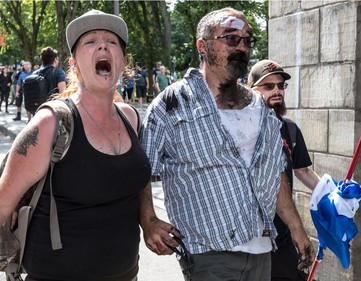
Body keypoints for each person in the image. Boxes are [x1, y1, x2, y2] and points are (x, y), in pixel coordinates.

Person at [0, 9, 179, 281]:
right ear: (74, 64)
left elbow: (136, 175)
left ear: (122, 61)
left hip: (127, 275)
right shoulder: (50, 123)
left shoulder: (130, 117)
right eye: (90, 41)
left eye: (111, 41)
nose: (103, 44)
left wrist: (149, 219)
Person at [140, 7, 314, 281]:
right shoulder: (170, 106)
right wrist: (148, 220)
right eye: (231, 39)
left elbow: (273, 173)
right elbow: (141, 170)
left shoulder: (260, 108)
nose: (242, 47)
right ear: (203, 46)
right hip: (208, 252)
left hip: (262, 249)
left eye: (247, 40)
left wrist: (296, 227)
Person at [248, 59, 320, 281]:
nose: (277, 91)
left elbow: (303, 171)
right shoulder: (243, 128)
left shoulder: (289, 128)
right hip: (249, 236)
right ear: (251, 91)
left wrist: (333, 192)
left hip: (283, 233)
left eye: (280, 86)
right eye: (268, 86)